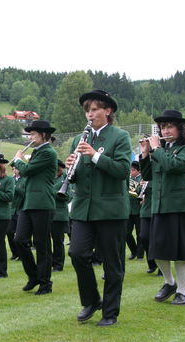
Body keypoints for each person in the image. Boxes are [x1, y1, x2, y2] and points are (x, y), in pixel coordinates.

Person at [65, 90, 131, 326]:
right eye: (87, 110)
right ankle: (92, 300)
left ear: (107, 111)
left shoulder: (120, 136)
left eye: (94, 109)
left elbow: (122, 170)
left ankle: (110, 312)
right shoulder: (78, 140)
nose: (89, 114)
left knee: (113, 263)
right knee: (77, 253)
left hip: (111, 209)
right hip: (84, 208)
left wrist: (94, 156)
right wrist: (70, 170)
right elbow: (78, 176)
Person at [140, 110, 185, 305]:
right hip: (160, 206)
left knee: (182, 253)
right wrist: (144, 154)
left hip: (182, 206)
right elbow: (148, 175)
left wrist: (156, 149)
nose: (165, 130)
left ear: (180, 129)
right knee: (157, 250)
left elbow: (173, 166)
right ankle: (169, 282)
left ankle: (182, 292)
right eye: (162, 127)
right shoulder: (160, 150)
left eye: (169, 126)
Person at [11, 120, 57, 295]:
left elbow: (28, 170)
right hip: (29, 203)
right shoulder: (38, 152)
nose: (30, 137)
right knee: (19, 240)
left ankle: (45, 283)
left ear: (43, 135)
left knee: (42, 244)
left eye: (33, 134)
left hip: (42, 203)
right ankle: (34, 276)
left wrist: (17, 160)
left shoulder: (49, 152)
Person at [52, 160, 71, 272]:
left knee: (58, 241)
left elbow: (68, 196)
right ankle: (50, 262)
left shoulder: (66, 178)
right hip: (47, 212)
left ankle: (58, 264)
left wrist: (52, 192)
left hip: (58, 214)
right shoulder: (49, 177)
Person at [138, 179, 159, 274]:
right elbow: (138, 193)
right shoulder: (145, 178)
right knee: (144, 237)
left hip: (158, 210)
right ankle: (152, 263)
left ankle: (162, 268)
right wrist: (140, 185)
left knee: (159, 240)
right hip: (146, 211)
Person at [126, 161, 144, 260]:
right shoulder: (128, 179)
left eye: (133, 170)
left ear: (138, 171)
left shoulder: (142, 179)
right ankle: (134, 251)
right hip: (129, 210)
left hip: (139, 209)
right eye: (130, 170)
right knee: (126, 233)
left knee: (140, 233)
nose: (131, 172)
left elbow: (139, 193)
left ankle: (140, 254)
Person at [6, 167, 24, 261]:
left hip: (21, 209)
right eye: (13, 169)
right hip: (12, 210)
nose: (14, 170)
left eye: (16, 168)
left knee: (20, 234)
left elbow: (24, 193)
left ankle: (22, 254)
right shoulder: (11, 179)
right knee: (9, 232)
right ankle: (15, 253)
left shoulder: (24, 180)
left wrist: (15, 187)